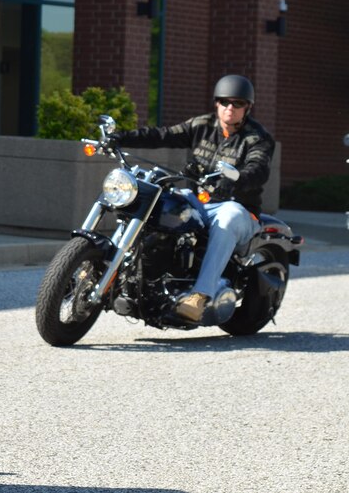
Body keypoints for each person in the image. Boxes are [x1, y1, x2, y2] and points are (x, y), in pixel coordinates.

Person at [111, 74, 274, 323]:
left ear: (247, 108)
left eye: (238, 103)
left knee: (227, 219)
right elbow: (162, 135)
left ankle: (199, 296)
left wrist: (238, 177)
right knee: (164, 202)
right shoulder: (201, 125)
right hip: (199, 199)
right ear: (216, 103)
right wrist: (120, 138)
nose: (230, 108)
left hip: (237, 207)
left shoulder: (257, 138)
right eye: (225, 102)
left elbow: (259, 168)